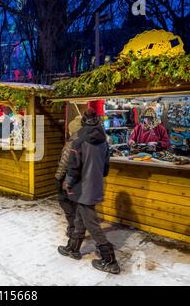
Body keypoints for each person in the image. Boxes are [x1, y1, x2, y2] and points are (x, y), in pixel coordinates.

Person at [58, 109, 120, 275]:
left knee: (93, 225)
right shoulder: (104, 140)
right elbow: (106, 167)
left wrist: (67, 182)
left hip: (82, 187)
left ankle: (110, 260)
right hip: (96, 184)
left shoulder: (79, 140)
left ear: (83, 122)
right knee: (80, 217)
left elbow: (73, 167)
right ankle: (73, 248)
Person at [55, 115, 82, 238]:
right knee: (76, 204)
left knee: (63, 200)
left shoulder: (71, 143)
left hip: (70, 178)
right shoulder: (88, 142)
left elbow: (64, 163)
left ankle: (73, 228)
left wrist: (58, 178)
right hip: (82, 180)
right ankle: (75, 227)